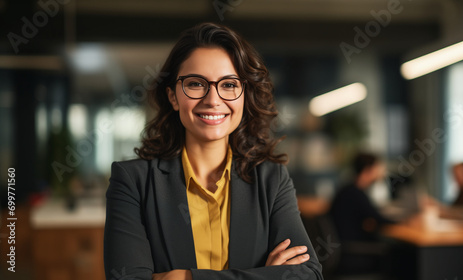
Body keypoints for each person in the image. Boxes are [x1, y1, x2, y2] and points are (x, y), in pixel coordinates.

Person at [104, 23, 323, 280]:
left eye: (229, 85)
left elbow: (307, 275)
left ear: (244, 95)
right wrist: (264, 275)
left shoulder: (271, 180)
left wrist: (182, 277)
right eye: (196, 83)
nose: (213, 99)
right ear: (173, 96)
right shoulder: (133, 182)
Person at [329, 152, 395, 274]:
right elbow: (379, 219)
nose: (382, 172)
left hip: (341, 251)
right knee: (396, 253)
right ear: (368, 169)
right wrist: (406, 221)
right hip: (353, 254)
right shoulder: (356, 194)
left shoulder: (346, 190)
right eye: (378, 168)